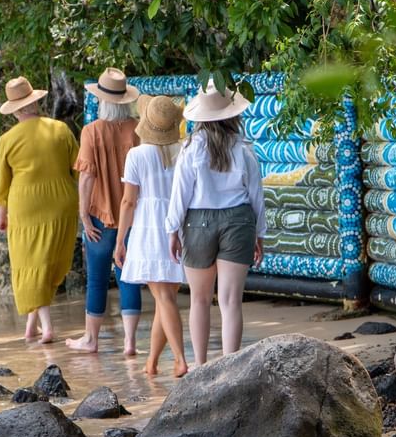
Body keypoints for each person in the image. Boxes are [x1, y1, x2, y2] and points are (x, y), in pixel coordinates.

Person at [165, 80, 266, 365]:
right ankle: (230, 367)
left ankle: (199, 366)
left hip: (198, 222)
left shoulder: (191, 149)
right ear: (233, 115)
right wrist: (260, 234)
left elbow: (179, 194)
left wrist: (172, 229)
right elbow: (256, 194)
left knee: (199, 300)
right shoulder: (244, 150)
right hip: (238, 220)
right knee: (231, 301)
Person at [0, 76, 79, 343]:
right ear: (36, 102)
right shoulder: (60, 130)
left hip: (27, 207)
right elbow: (78, 168)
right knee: (47, 262)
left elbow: (2, 186)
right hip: (62, 203)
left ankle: (48, 327)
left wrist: (1, 213)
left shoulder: (7, 139)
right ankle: (31, 326)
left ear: (16, 109)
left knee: (30, 263)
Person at [66, 67, 142, 354]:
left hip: (99, 212)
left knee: (97, 278)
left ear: (102, 100)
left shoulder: (91, 131)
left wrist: (84, 214)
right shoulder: (137, 128)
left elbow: (86, 177)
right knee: (128, 275)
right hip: (132, 213)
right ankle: (130, 342)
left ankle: (91, 340)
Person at [114, 95, 188, 377]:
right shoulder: (183, 150)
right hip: (179, 225)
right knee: (164, 297)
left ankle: (180, 359)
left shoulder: (137, 155)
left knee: (163, 297)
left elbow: (128, 202)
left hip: (149, 227)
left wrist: (120, 241)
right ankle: (152, 363)